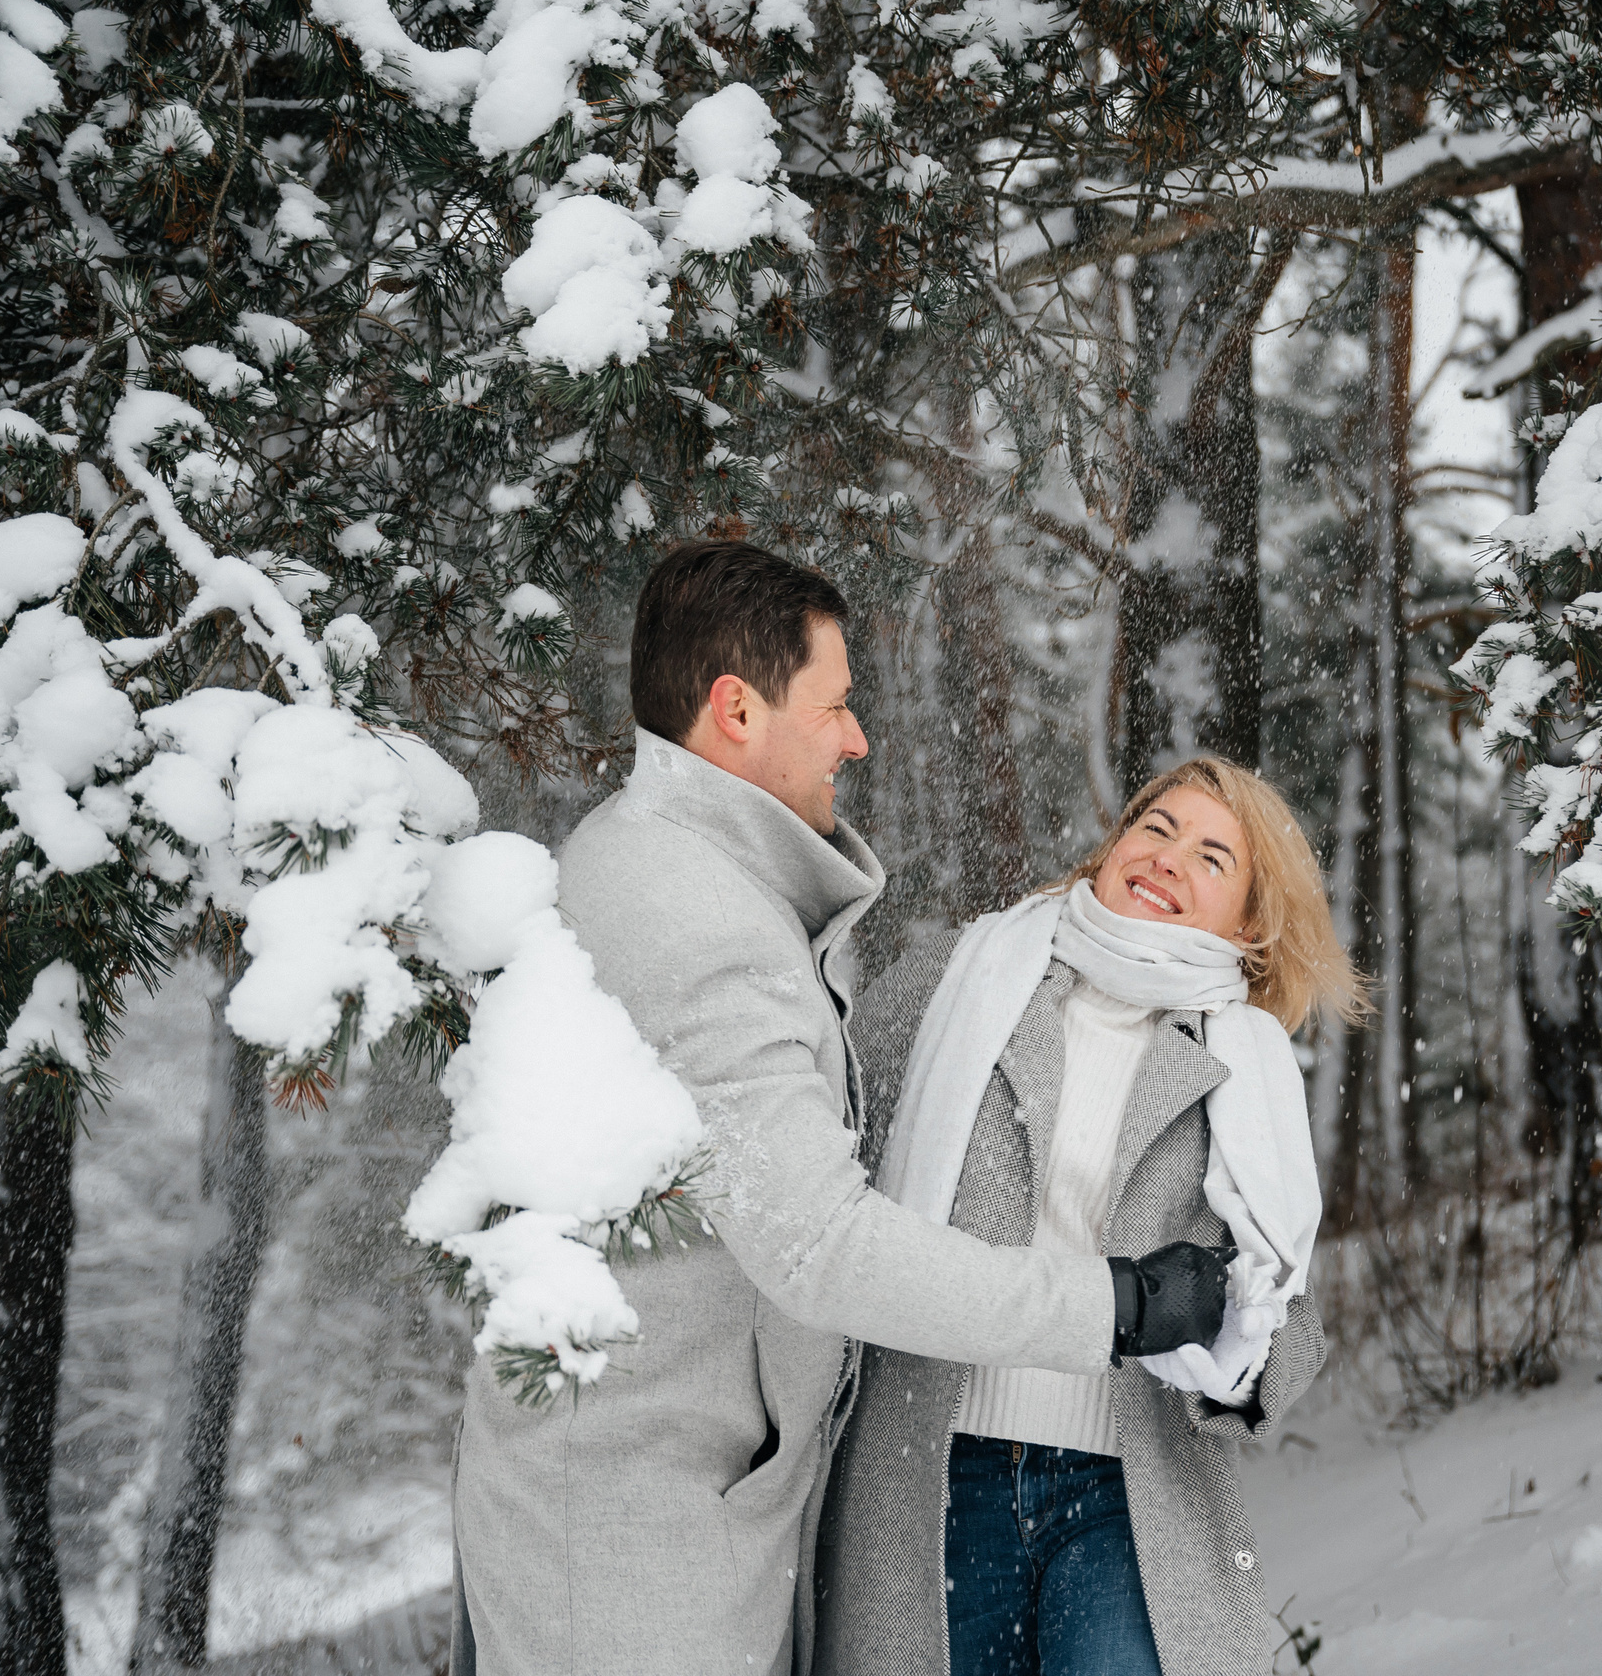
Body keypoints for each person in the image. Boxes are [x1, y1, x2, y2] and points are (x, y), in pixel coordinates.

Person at [449, 541, 1232, 1676]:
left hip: (674, 1491)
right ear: (734, 711)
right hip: (630, 1528)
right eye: (835, 704)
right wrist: (1107, 1307)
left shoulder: (690, 874)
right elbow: (818, 1242)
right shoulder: (696, 916)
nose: (857, 738)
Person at [815, 757, 1364, 1676]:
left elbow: (1288, 1328)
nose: (1168, 857)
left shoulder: (1247, 1076)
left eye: (1212, 855)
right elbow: (829, 1185)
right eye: (1155, 827)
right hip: (934, 1472)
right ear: (1113, 847)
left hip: (1126, 1497)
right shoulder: (960, 982)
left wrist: (1230, 1343)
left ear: (1251, 924)